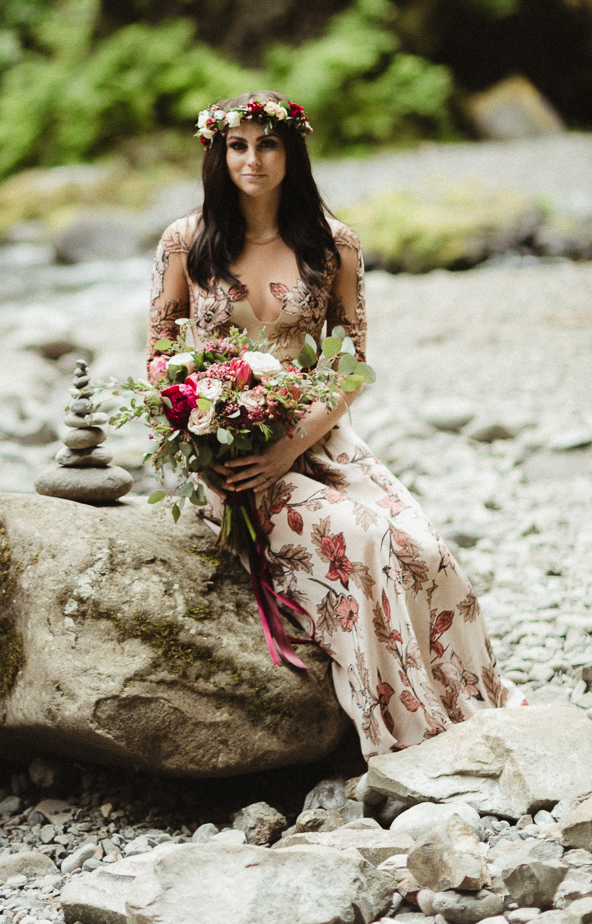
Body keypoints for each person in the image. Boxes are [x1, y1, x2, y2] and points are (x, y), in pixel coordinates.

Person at [149, 90, 524, 756]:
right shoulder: (186, 241)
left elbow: (350, 364)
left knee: (421, 546)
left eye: (268, 144)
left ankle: (460, 696)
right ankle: (400, 728)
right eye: (238, 146)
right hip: (225, 452)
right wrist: (198, 424)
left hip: (315, 437)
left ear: (291, 152)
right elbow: (159, 354)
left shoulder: (333, 244)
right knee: (361, 535)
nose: (253, 159)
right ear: (218, 153)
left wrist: (290, 443)